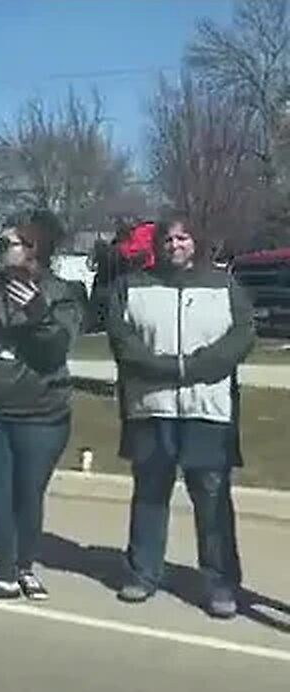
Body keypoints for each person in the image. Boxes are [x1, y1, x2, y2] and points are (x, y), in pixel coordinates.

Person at [107, 212, 253, 619]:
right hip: (150, 408)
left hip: (209, 411)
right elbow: (122, 341)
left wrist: (197, 367)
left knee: (211, 497)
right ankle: (143, 573)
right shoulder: (130, 287)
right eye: (168, 240)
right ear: (157, 246)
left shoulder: (224, 286)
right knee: (150, 494)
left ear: (196, 242)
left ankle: (221, 581)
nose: (175, 246)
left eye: (183, 238)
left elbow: (243, 336)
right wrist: (166, 368)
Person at [0, 210, 85, 602]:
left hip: (42, 412)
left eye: (7, 243)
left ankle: (25, 568)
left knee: (28, 495)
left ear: (34, 248)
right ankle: (4, 575)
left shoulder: (65, 292)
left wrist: (39, 313)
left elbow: (56, 348)